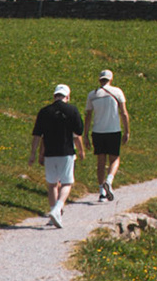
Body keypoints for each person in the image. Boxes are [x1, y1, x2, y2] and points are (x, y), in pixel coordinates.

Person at [30, 83, 86, 228]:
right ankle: (57, 208)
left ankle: (53, 215)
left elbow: (37, 135)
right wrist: (81, 150)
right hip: (66, 152)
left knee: (52, 184)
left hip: (49, 153)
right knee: (67, 183)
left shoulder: (44, 111)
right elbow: (79, 131)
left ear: (54, 96)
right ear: (67, 96)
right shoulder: (72, 110)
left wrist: (33, 154)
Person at [85, 68, 130, 201]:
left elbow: (88, 116)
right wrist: (127, 131)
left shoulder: (92, 94)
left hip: (97, 131)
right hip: (113, 130)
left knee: (100, 161)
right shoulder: (117, 92)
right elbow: (124, 113)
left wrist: (85, 134)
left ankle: (101, 192)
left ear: (100, 80)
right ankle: (109, 181)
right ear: (111, 79)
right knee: (114, 159)